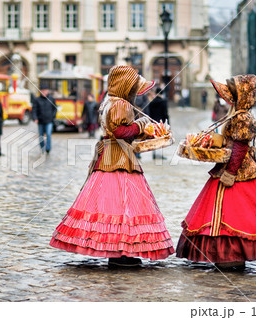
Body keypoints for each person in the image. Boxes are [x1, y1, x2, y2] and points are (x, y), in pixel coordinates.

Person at [50, 65, 175, 267]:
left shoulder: (109, 102)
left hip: (109, 156)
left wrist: (143, 131)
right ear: (127, 87)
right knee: (124, 205)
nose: (136, 93)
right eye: (134, 88)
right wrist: (142, 124)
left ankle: (116, 252)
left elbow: (122, 130)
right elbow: (121, 132)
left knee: (110, 205)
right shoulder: (122, 105)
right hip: (119, 158)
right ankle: (122, 253)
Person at [176, 75, 256, 270]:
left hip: (238, 170)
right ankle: (232, 256)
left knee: (235, 214)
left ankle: (231, 256)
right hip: (231, 166)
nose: (229, 98)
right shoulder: (238, 114)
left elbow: (240, 147)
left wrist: (230, 172)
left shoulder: (242, 117)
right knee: (236, 214)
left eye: (233, 94)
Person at [32, 84, 57, 154]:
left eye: (45, 91)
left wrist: (53, 117)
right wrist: (35, 118)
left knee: (48, 134)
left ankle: (48, 148)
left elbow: (55, 109)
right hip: (41, 121)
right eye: (42, 91)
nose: (44, 92)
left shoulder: (51, 99)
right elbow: (34, 110)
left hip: (49, 120)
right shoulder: (37, 100)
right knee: (41, 135)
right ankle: (42, 147)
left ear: (47, 91)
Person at [148, 88, 170, 159]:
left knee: (154, 138)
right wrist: (168, 124)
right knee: (161, 139)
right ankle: (160, 155)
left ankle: (154, 154)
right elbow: (165, 114)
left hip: (153, 123)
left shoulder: (151, 103)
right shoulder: (163, 102)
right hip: (161, 124)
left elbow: (149, 114)